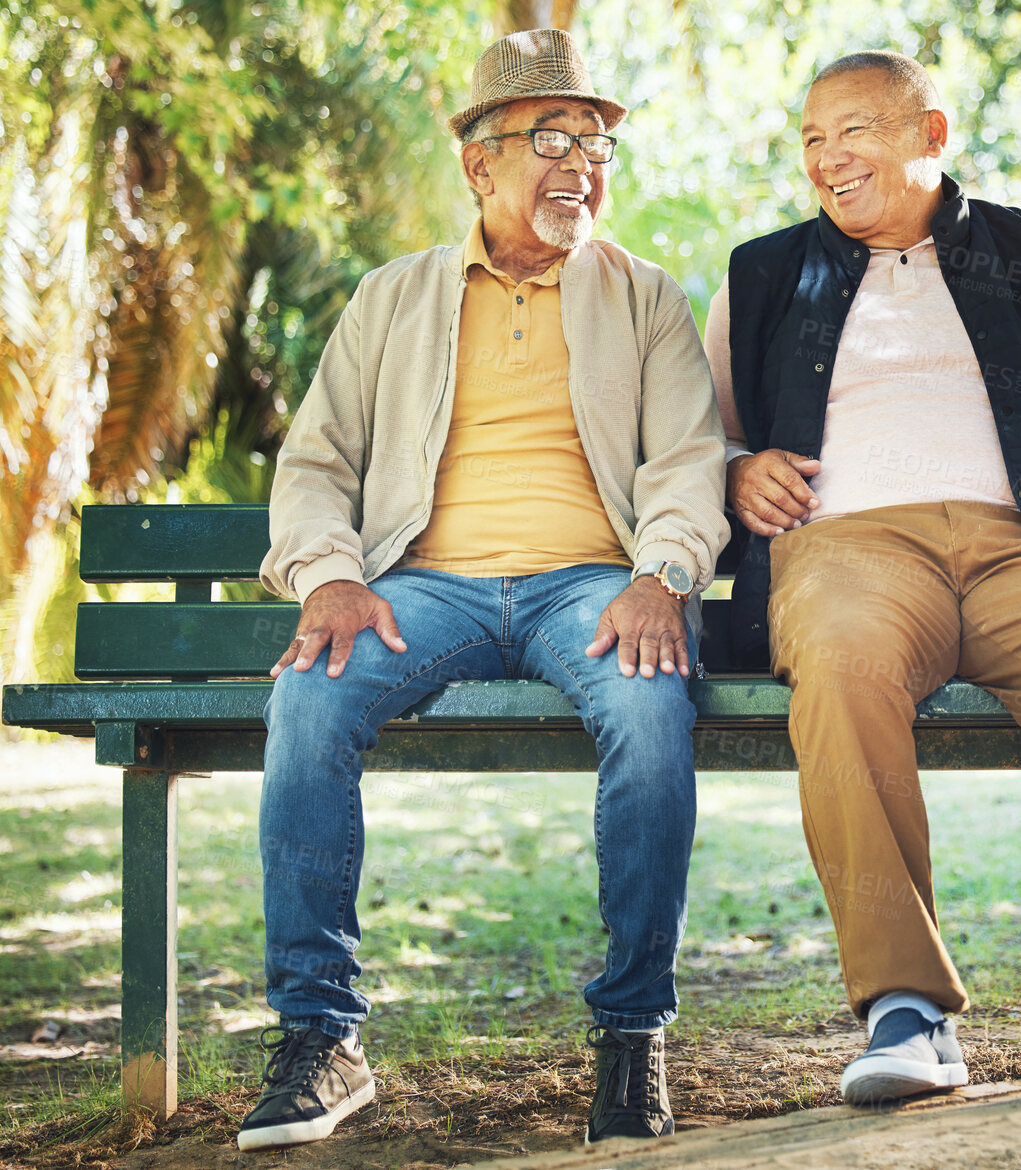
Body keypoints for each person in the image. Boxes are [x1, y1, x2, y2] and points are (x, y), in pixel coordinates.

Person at [238, 29, 726, 1150]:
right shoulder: (393, 297)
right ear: (478, 162)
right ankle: (320, 1037)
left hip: (590, 588)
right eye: (550, 138)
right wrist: (332, 578)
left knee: (652, 713)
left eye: (595, 140)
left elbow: (688, 462)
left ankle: (632, 1028)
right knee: (308, 700)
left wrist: (660, 575)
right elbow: (315, 468)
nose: (580, 164)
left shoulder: (645, 298)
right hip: (424, 590)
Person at [706, 50, 1021, 1104]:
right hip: (850, 549)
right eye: (811, 140)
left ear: (930, 134)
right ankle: (904, 1012)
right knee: (836, 665)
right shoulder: (762, 273)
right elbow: (705, 442)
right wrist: (736, 475)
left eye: (854, 131)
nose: (827, 160)